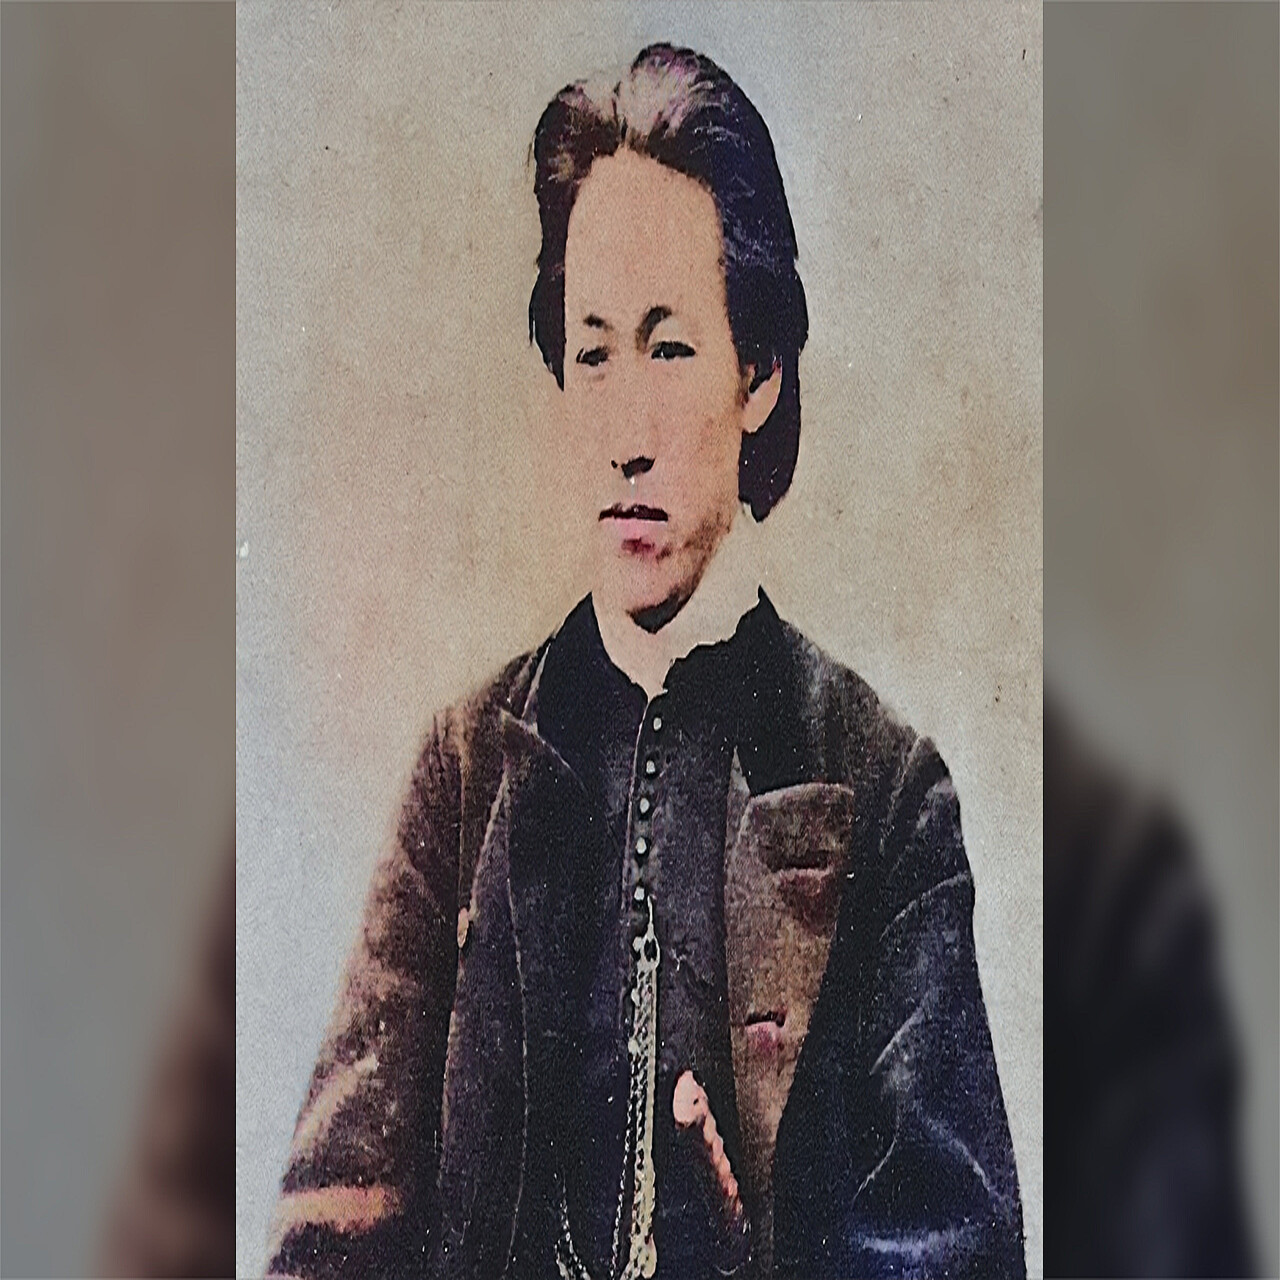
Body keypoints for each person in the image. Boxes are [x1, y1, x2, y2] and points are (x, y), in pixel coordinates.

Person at [265, 43, 1024, 1280]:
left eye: (669, 349)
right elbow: (329, 1239)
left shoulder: (884, 792)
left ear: (757, 373)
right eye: (593, 351)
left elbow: (956, 1251)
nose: (624, 432)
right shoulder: (464, 774)